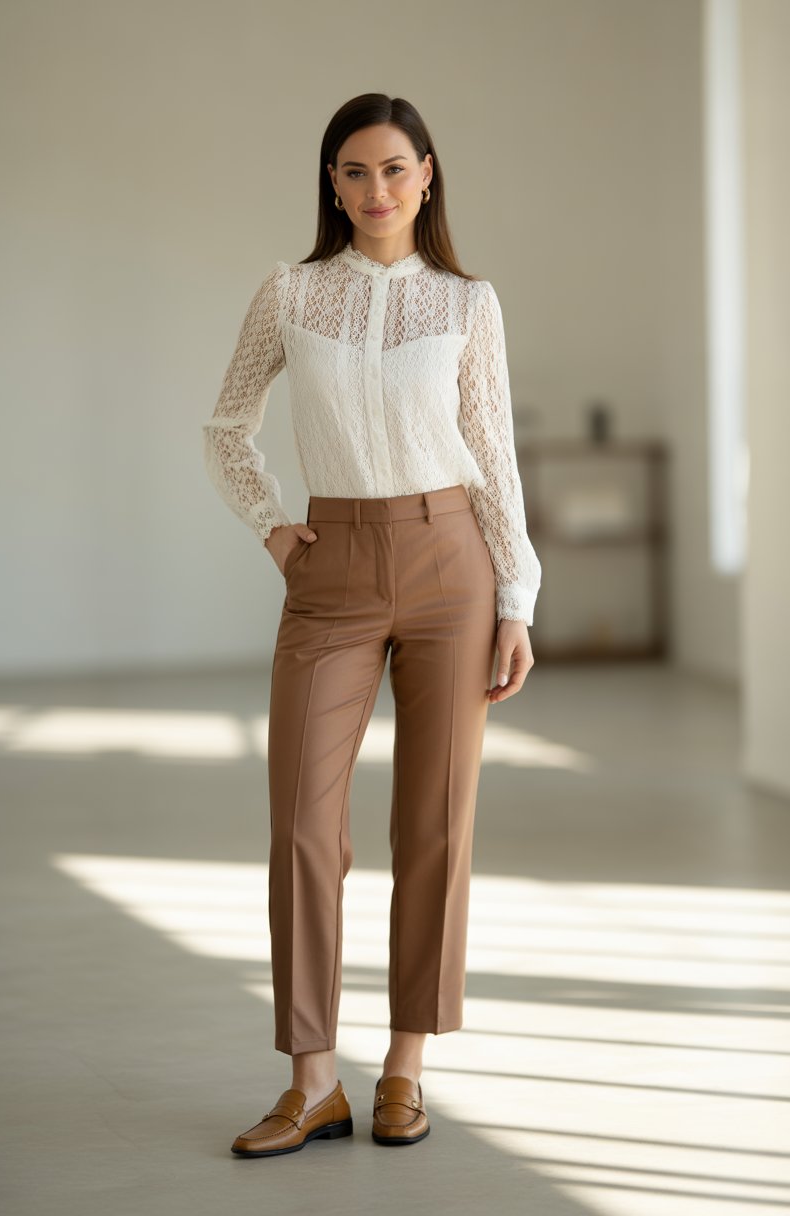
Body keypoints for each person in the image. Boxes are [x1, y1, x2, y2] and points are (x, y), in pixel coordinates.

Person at [202, 93, 541, 1158]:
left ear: (428, 176)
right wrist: (271, 526)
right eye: (353, 172)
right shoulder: (291, 292)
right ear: (331, 183)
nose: (375, 190)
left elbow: (492, 450)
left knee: (435, 824)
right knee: (303, 825)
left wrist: (517, 596)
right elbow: (226, 424)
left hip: (453, 565)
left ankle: (402, 1069)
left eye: (394, 169)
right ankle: (311, 1081)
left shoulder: (467, 303)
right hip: (333, 563)